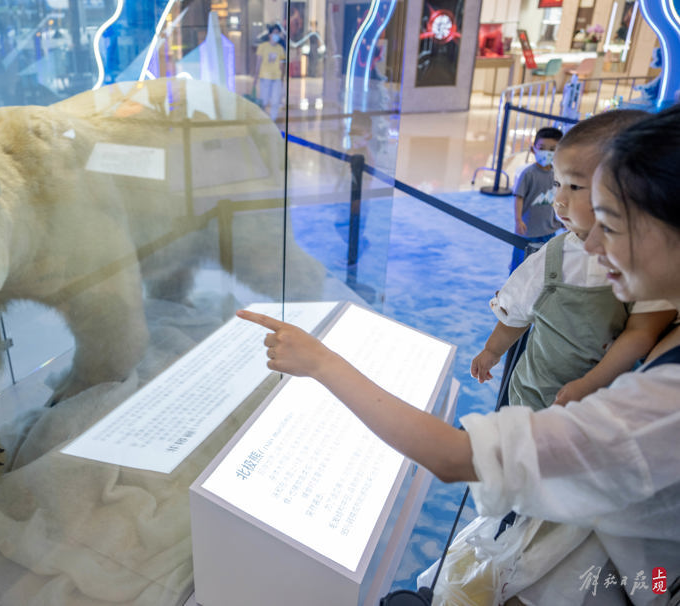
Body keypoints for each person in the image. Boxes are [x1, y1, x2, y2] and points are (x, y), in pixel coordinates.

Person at [237, 104, 680, 604]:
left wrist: (321, 362)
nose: (593, 245)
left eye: (612, 224)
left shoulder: (662, 406)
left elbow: (454, 457)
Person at [471, 110, 676, 410]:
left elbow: (641, 332)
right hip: (533, 393)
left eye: (576, 186)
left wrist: (589, 384)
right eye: (557, 184)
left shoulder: (649, 270)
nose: (559, 200)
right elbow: (516, 312)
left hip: (597, 402)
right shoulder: (553, 255)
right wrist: (492, 351)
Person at [510, 126, 564, 272]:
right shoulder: (528, 174)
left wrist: (562, 220)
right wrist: (518, 220)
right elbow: (519, 197)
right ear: (533, 149)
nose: (547, 153)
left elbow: (558, 197)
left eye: (552, 149)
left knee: (543, 263)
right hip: (527, 230)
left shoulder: (558, 174)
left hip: (548, 229)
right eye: (542, 148)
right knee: (520, 263)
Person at [254, 24, 286, 122]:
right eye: (275, 33)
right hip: (265, 77)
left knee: (275, 101)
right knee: (264, 101)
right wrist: (255, 78)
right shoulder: (262, 47)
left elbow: (282, 64)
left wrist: (282, 78)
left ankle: (273, 120)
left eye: (278, 33)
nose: (277, 35)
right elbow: (258, 62)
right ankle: (263, 120)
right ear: (270, 35)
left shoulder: (280, 48)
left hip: (276, 78)